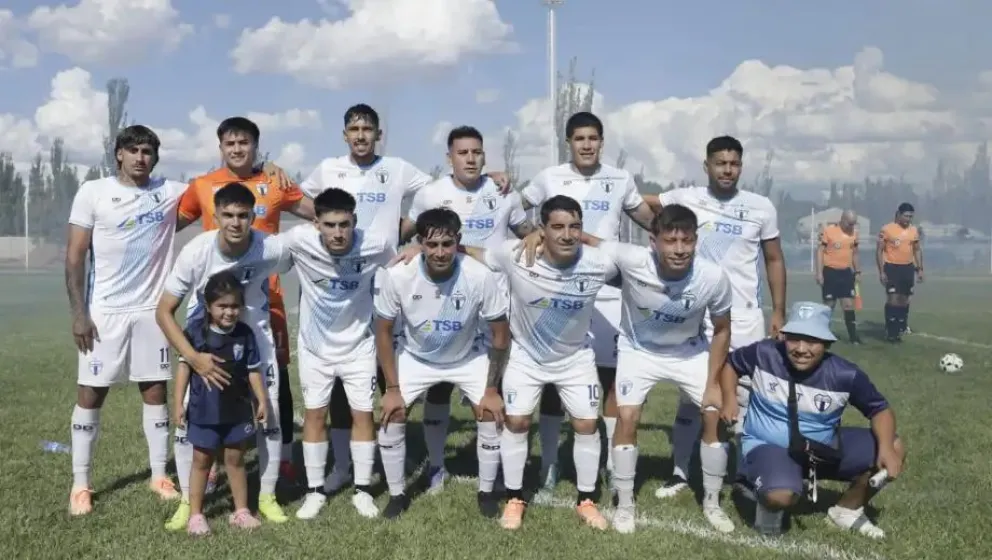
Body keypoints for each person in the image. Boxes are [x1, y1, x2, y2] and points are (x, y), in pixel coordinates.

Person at [300, 104, 510, 493]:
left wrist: (416, 242)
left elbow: (435, 194)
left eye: (368, 129)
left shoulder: (398, 169)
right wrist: (326, 231)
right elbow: (301, 201)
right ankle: (346, 465)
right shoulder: (328, 169)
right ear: (344, 134)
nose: (361, 135)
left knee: (393, 376)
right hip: (350, 282)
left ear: (378, 134)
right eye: (354, 128)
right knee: (354, 381)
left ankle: (405, 459)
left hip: (394, 277)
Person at [516, 111, 657, 495]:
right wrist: (530, 235)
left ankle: (611, 464)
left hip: (608, 291)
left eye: (593, 138)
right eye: (579, 138)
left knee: (610, 382)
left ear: (602, 141)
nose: (587, 145)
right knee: (550, 381)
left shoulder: (621, 179)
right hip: (560, 291)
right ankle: (548, 465)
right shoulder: (549, 177)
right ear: (569, 142)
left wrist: (677, 228)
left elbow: (651, 223)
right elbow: (513, 210)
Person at [642, 135, 786, 499]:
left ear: (741, 166)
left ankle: (743, 473)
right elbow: (636, 202)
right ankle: (679, 472)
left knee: (746, 396)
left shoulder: (761, 207)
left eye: (734, 163)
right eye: (720, 163)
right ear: (706, 166)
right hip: (699, 314)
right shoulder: (687, 198)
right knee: (693, 396)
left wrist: (779, 311)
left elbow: (773, 259)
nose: (727, 169)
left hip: (744, 318)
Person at [577, 204, 735, 534]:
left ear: (696, 241)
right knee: (629, 416)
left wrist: (713, 382)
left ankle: (712, 503)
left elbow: (722, 329)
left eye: (687, 241)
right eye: (670, 240)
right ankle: (625, 503)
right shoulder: (632, 259)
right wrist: (537, 233)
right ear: (654, 241)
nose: (679, 249)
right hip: (639, 351)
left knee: (711, 413)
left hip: (688, 352)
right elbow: (586, 240)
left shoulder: (713, 277)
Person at [176, 116, 313, 492]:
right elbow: (167, 226)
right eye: (230, 144)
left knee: (275, 378)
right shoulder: (202, 186)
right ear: (220, 147)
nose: (237, 149)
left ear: (256, 146)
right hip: (215, 303)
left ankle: (283, 458)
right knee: (215, 376)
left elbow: (319, 215)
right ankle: (214, 461)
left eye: (245, 143)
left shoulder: (276, 182)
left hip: (265, 300)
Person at [466, 195, 615, 531]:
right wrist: (421, 249)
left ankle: (586, 500)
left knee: (587, 425)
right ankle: (515, 498)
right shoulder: (516, 254)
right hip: (526, 357)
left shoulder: (598, 263)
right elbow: (477, 254)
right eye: (557, 227)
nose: (567, 235)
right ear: (541, 230)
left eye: (574, 227)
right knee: (517, 422)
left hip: (575, 358)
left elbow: (644, 263)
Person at [400, 125, 534, 492]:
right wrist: (413, 247)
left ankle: (501, 464)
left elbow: (527, 234)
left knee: (500, 389)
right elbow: (413, 235)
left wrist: (536, 235)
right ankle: (437, 467)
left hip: (495, 304)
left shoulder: (503, 191)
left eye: (476, 152)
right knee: (439, 386)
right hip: (447, 303)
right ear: (449, 158)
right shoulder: (431, 193)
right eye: (463, 153)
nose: (471, 158)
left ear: (484, 156)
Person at [64, 125, 186, 516]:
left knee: (154, 392)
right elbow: (74, 256)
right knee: (91, 393)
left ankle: (158, 475)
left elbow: (216, 188)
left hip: (152, 313)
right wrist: (79, 313)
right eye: (132, 150)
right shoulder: (93, 193)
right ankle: (80, 484)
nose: (140, 157)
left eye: (147, 151)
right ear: (118, 154)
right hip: (105, 313)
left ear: (155, 157)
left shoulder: (170, 192)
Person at [157, 183, 293, 529]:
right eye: (228, 215)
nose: (235, 222)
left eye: (243, 215)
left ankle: (266, 496)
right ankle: (190, 503)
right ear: (215, 216)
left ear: (254, 216)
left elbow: (317, 248)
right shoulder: (196, 252)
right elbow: (164, 311)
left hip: (253, 340)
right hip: (205, 346)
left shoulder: (270, 248)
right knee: (190, 421)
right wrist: (193, 357)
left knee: (269, 416)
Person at [719, 302, 905, 538]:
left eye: (812, 341)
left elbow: (880, 410)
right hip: (768, 446)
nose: (801, 348)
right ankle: (763, 493)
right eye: (794, 339)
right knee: (781, 494)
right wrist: (728, 398)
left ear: (827, 344)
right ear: (784, 337)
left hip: (820, 449)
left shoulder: (846, 374)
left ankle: (846, 511)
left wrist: (886, 448)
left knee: (895, 445)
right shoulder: (764, 353)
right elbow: (731, 364)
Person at [374, 208, 510, 519]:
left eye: (447, 244)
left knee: (490, 413)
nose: (439, 252)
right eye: (432, 245)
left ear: (458, 241)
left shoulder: (479, 276)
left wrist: (491, 388)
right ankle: (397, 495)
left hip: (467, 357)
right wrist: (392, 388)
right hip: (416, 357)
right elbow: (382, 332)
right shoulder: (398, 276)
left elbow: (501, 334)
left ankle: (486, 492)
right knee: (392, 414)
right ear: (420, 243)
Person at [284, 188, 396, 521]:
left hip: (359, 345)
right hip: (314, 349)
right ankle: (315, 492)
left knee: (363, 415)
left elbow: (401, 265)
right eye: (330, 225)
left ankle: (362, 490)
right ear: (316, 223)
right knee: (315, 416)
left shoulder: (375, 244)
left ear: (354, 221)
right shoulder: (297, 240)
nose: (337, 232)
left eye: (344, 224)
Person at [172, 270, 270, 536]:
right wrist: (178, 403)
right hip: (204, 411)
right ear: (208, 306)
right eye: (222, 306)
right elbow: (183, 369)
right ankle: (195, 515)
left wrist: (261, 400)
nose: (229, 312)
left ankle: (240, 511)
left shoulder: (245, 334)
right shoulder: (195, 333)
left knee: (235, 460)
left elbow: (253, 370)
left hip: (237, 410)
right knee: (202, 461)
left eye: (234, 306)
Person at [876, 203, 922, 342]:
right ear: (899, 214)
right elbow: (879, 251)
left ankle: (900, 326)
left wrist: (920, 269)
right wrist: (882, 271)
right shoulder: (887, 229)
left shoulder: (913, 230)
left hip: (907, 268)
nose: (908, 219)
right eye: (906, 216)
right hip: (892, 267)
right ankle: (891, 331)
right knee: (893, 299)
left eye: (911, 217)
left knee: (904, 300)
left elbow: (917, 250)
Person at [816, 210, 862, 343]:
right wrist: (819, 273)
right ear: (842, 220)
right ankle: (822, 335)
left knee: (848, 305)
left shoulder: (854, 234)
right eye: (849, 223)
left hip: (846, 273)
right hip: (830, 272)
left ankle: (853, 337)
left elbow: (855, 253)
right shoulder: (829, 231)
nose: (851, 226)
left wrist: (858, 271)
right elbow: (820, 252)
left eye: (853, 224)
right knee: (829, 304)